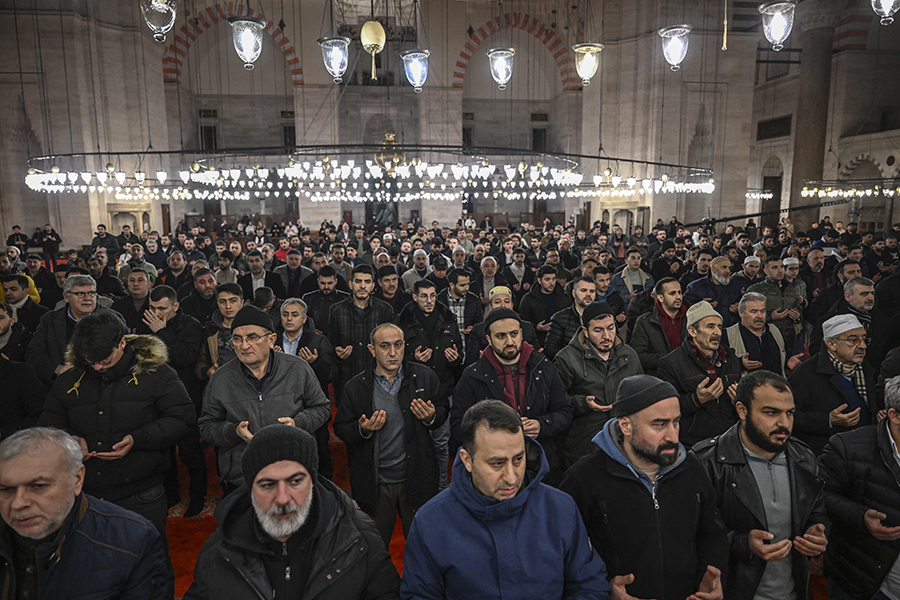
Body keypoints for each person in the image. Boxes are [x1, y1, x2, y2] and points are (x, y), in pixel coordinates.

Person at [39, 310, 195, 593]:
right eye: (91, 362)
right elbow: (49, 424)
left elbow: (182, 418)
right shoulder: (70, 378)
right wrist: (71, 440)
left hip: (141, 490)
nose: (98, 368)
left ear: (122, 343)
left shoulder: (156, 373)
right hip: (85, 495)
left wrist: (138, 439)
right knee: (91, 570)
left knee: (149, 568)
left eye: (104, 360)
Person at [400, 400, 610, 600]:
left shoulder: (561, 508)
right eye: (497, 464)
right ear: (467, 460)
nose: (511, 477)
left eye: (518, 459)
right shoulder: (431, 522)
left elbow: (588, 582)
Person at [560, 375, 728, 600]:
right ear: (626, 425)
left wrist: (712, 574)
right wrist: (604, 590)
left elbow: (711, 532)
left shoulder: (692, 467)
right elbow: (564, 555)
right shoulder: (585, 478)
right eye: (659, 424)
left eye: (676, 422)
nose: (673, 436)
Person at [185, 425, 400, 599]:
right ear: (250, 489)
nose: (282, 499)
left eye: (295, 481)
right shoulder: (219, 553)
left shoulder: (358, 538)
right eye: (268, 485)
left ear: (313, 482)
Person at [693, 370, 829, 600]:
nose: (784, 423)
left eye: (790, 413)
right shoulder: (706, 462)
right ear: (742, 410)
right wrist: (742, 543)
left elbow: (818, 513)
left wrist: (817, 532)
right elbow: (691, 534)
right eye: (771, 413)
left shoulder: (803, 458)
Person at [0, 427, 170, 599]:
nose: (18, 503)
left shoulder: (133, 540)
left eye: (38, 486)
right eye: (5, 489)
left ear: (77, 479)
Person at [334, 323, 448, 548]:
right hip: (376, 484)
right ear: (371, 349)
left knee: (424, 547)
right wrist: (363, 429)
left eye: (398, 345)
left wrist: (431, 418)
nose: (393, 352)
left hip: (415, 478)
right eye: (384, 346)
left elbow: (442, 410)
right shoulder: (355, 387)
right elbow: (341, 428)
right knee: (375, 550)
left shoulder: (425, 377)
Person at [199, 306, 331, 493]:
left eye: (252, 337)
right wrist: (233, 431)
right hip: (243, 477)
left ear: (271, 339)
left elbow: (322, 408)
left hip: (293, 472)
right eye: (237, 339)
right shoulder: (221, 379)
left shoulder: (298, 369)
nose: (244, 346)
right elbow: (207, 425)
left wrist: (297, 423)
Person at [452, 307, 572, 482]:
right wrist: (494, 433)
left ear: (521, 333)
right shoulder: (473, 376)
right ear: (489, 339)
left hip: (541, 466)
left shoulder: (543, 367)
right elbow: (458, 426)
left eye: (514, 334)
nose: (509, 341)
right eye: (501, 336)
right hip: (495, 471)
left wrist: (542, 425)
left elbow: (565, 412)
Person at [817, 374, 900, 600]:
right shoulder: (848, 448)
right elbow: (819, 496)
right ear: (894, 415)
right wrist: (861, 517)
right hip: (864, 583)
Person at [144, 284, 208, 517]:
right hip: (154, 397)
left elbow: (185, 358)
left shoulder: (191, 325)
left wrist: (161, 331)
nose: (157, 313)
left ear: (175, 306)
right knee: (164, 452)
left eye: (162, 308)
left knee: (190, 452)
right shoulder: (146, 324)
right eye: (153, 307)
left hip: (185, 396)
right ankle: (170, 495)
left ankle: (198, 497)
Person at [553, 302, 642, 466]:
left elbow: (642, 393)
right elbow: (556, 403)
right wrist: (582, 402)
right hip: (585, 445)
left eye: (610, 328)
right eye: (598, 330)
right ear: (585, 331)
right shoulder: (566, 359)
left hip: (625, 441)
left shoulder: (628, 355)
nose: (607, 336)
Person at [789, 314, 877, 455]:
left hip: (864, 450)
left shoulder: (865, 369)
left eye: (864, 339)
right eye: (853, 340)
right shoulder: (806, 374)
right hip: (827, 456)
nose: (862, 346)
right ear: (831, 344)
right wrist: (828, 420)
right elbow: (790, 416)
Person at [657, 301, 741, 448]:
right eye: (710, 326)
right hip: (694, 445)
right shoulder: (671, 364)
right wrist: (697, 399)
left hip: (730, 439)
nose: (718, 332)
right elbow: (665, 409)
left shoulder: (731, 358)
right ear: (693, 331)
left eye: (719, 327)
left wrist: (740, 402)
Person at [276, 297, 337, 479]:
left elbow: (332, 374)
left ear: (304, 319)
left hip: (312, 406)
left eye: (294, 315)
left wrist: (313, 363)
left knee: (319, 450)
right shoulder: (272, 341)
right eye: (285, 315)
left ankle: (324, 488)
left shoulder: (318, 341)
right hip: (282, 405)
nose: (289, 319)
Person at [27, 274, 108, 384]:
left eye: (91, 293)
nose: (87, 298)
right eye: (80, 294)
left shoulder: (111, 319)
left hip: (102, 384)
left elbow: (125, 353)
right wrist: (56, 368)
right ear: (66, 297)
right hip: (61, 384)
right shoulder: (49, 320)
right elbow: (34, 353)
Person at [327, 264, 393, 397]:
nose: (362, 286)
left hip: (377, 377)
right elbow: (330, 343)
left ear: (373, 286)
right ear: (350, 284)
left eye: (367, 282)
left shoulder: (385, 310)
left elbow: (392, 345)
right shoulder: (336, 311)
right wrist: (337, 351)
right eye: (358, 281)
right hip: (346, 378)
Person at [725, 291, 800, 377]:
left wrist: (788, 361)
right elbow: (720, 365)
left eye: (762, 311)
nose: (759, 316)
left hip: (776, 386)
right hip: (747, 389)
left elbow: (783, 354)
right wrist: (740, 363)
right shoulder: (728, 335)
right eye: (754, 312)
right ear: (741, 313)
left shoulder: (774, 330)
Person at [631, 277, 688, 377]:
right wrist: (671, 358)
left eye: (679, 292)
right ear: (660, 298)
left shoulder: (690, 319)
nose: (678, 296)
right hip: (659, 376)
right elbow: (639, 356)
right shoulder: (645, 322)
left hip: (688, 374)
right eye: (672, 293)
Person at [747, 256, 803, 354]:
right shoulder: (756, 290)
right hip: (766, 339)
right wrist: (770, 317)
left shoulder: (790, 288)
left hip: (789, 338)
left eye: (781, 266)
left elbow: (798, 309)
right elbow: (747, 316)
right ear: (766, 271)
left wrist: (797, 317)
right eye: (774, 268)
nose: (780, 270)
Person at [195, 282, 243, 381]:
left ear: (241, 303)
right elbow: (200, 362)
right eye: (222, 302)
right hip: (221, 385)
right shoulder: (210, 330)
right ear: (217, 303)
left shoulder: (254, 327)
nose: (228, 306)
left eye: (233, 301)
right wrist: (208, 372)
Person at [544, 276, 597, 359]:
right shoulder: (559, 318)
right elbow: (550, 349)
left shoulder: (602, 317)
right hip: (570, 366)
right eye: (584, 290)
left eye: (592, 291)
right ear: (573, 293)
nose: (588, 294)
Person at [111, 264, 154, 334]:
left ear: (149, 284)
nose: (135, 284)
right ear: (128, 283)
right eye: (132, 280)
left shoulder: (157, 305)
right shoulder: (118, 306)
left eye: (140, 280)